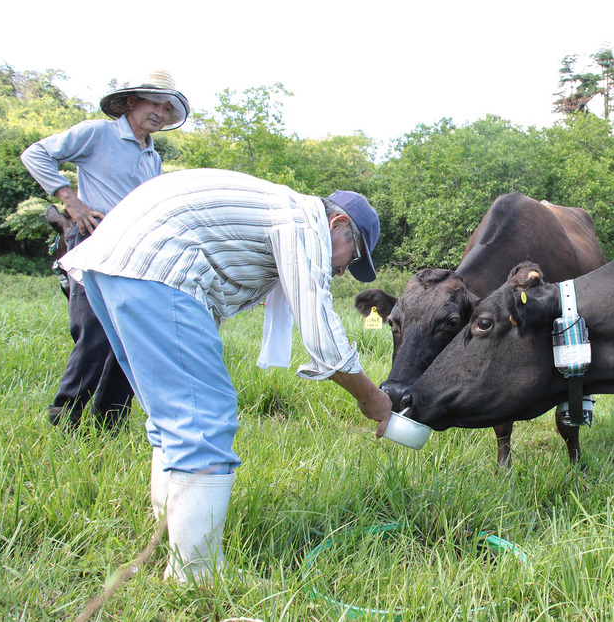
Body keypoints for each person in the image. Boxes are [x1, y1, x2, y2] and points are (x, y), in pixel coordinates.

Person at [59, 168, 393, 582]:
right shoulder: (303, 222)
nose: (343, 271)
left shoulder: (276, 211)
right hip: (155, 265)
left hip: (114, 262)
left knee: (173, 416)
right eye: (352, 257)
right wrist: (371, 399)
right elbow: (322, 334)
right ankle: (196, 575)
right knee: (204, 419)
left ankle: (172, 538)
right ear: (337, 225)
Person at [21, 69, 190, 431]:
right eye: (153, 104)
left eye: (166, 108)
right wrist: (70, 200)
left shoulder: (152, 157)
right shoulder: (97, 133)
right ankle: (65, 419)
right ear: (132, 102)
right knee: (94, 330)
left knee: (132, 335)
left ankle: (108, 423)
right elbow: (36, 154)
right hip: (94, 240)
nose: (159, 113)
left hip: (134, 251)